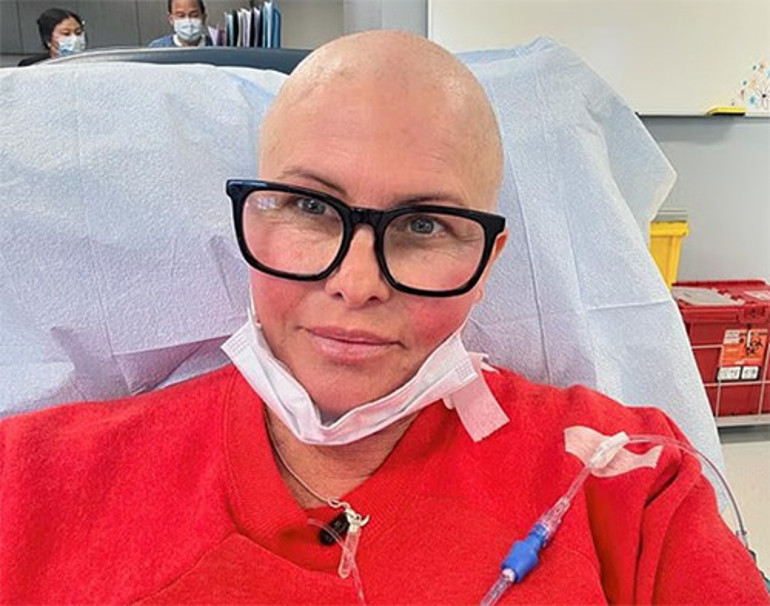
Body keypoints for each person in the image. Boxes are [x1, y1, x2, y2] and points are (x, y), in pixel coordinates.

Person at [0, 30, 768, 604]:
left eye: (424, 224)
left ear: (487, 265)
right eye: (310, 207)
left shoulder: (628, 482)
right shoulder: (31, 482)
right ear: (253, 220)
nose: (357, 284)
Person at [17, 7, 86, 66]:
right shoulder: (32, 65)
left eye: (78, 33)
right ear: (48, 40)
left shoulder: (89, 63)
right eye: (66, 34)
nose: (75, 38)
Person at [148, 0, 213, 48]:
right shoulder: (158, 49)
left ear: (204, 18)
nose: (188, 21)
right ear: (171, 19)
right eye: (181, 16)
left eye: (194, 15)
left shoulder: (215, 46)